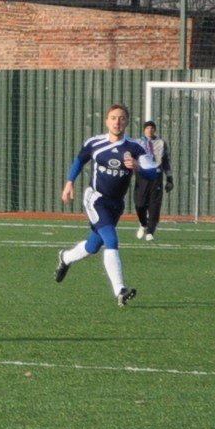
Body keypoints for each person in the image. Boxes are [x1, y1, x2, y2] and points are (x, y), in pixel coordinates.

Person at [57, 102, 159, 306]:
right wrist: (69, 184)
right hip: (95, 199)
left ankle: (66, 258)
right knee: (111, 240)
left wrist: (138, 167)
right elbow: (79, 161)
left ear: (127, 122)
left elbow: (153, 172)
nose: (117, 122)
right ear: (106, 121)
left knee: (93, 246)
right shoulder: (95, 143)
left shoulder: (134, 147)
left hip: (116, 204)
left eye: (121, 118)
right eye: (113, 118)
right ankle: (120, 290)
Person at [133, 118, 170, 241]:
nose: (150, 130)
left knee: (154, 204)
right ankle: (143, 224)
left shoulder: (161, 143)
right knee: (140, 204)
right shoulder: (137, 143)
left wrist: (169, 177)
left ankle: (150, 231)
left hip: (156, 175)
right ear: (144, 130)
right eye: (148, 128)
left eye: (152, 128)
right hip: (142, 175)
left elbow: (166, 162)